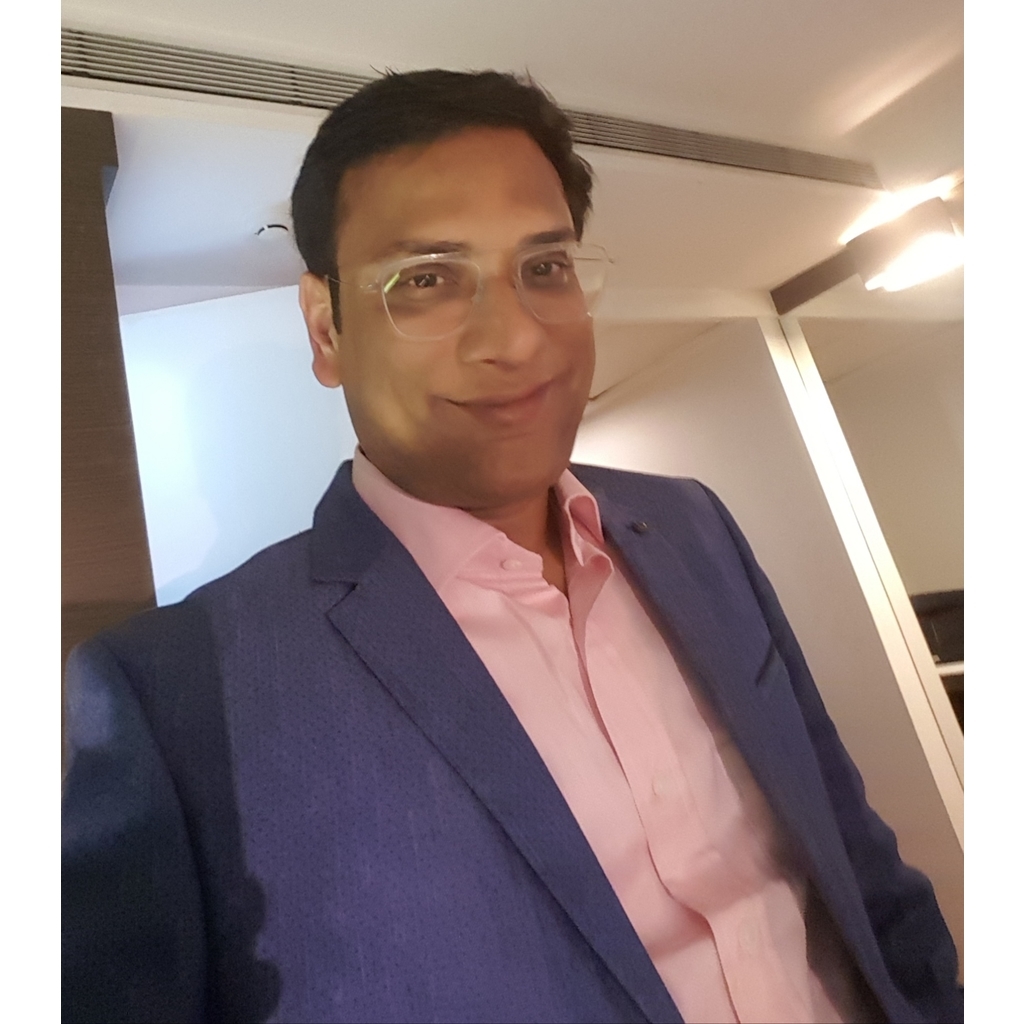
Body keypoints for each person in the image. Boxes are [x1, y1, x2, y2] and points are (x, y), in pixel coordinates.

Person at [62, 70, 962, 1024]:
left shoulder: (693, 527)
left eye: (545, 267)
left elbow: (856, 857)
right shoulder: (175, 693)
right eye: (426, 280)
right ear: (327, 329)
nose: (518, 340)